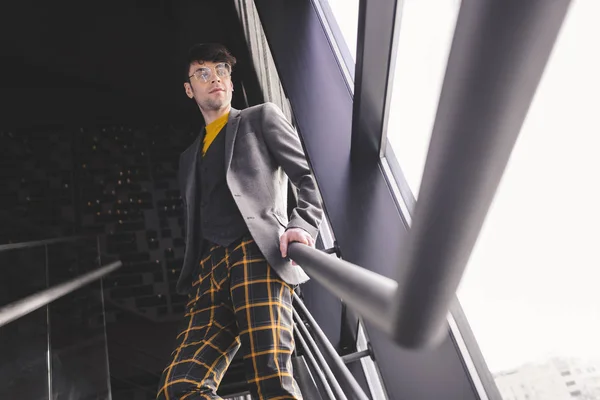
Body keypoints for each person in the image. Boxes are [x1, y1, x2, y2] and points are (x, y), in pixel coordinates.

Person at [156, 43, 323, 400]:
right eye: (203, 72)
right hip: (208, 270)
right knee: (178, 388)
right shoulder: (188, 157)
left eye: (221, 70)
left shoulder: (260, 117)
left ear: (231, 82)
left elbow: (309, 178)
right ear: (190, 89)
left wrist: (303, 225)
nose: (214, 77)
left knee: (271, 380)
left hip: (256, 253)